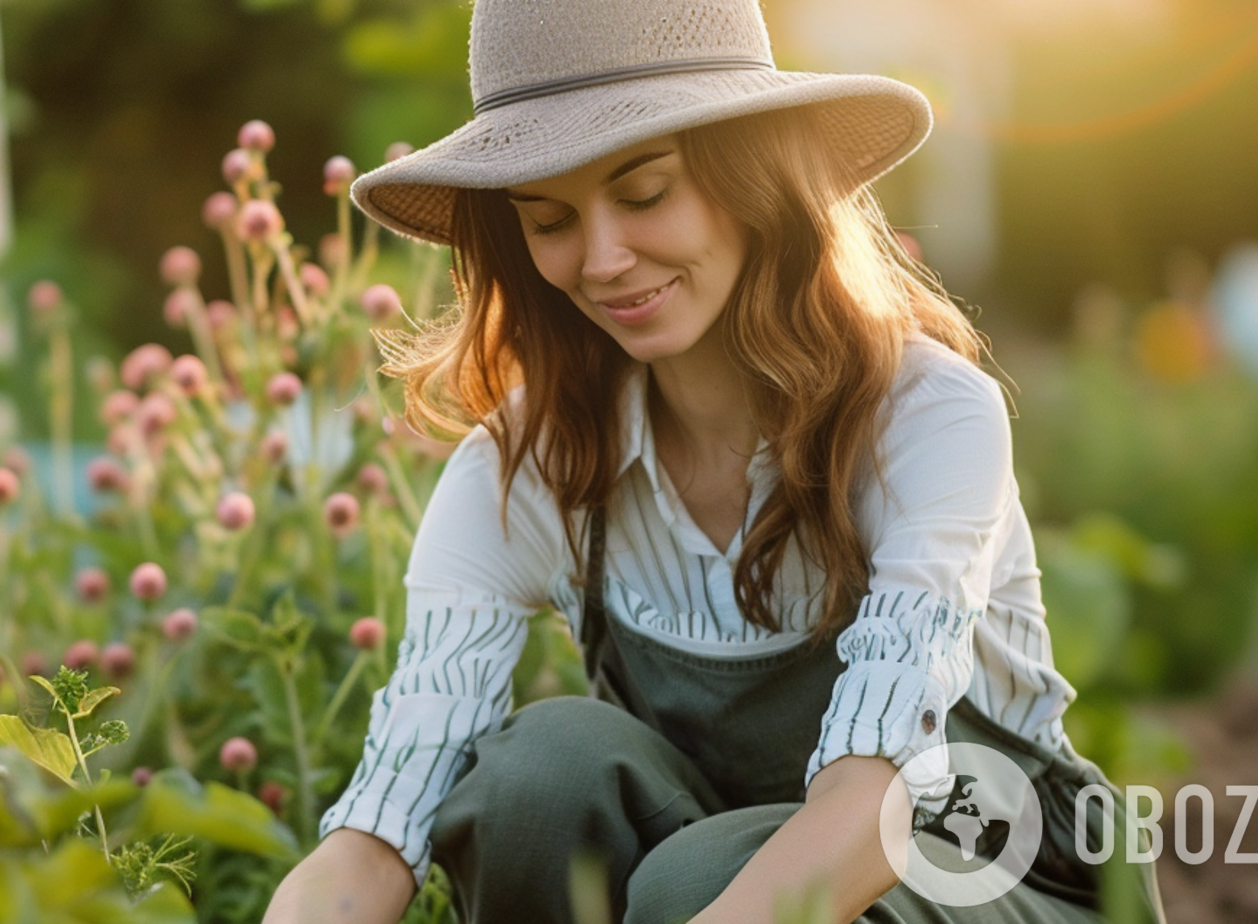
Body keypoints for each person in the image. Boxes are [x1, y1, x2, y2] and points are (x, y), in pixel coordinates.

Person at [264, 1, 1167, 922]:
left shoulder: (924, 416)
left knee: (696, 879)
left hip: (980, 875)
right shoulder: (527, 466)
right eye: (549, 220)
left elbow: (877, 797)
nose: (604, 259)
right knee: (536, 779)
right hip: (720, 877)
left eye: (645, 194)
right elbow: (380, 826)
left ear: (752, 177)